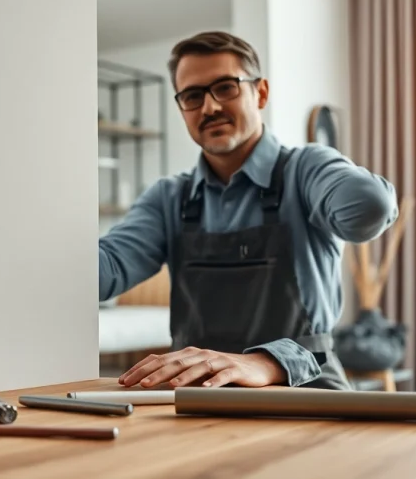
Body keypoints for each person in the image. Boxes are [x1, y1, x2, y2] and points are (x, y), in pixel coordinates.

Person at [99, 31, 398, 391]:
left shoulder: (304, 170)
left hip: (306, 390)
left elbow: (372, 208)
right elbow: (107, 270)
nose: (209, 107)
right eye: (193, 96)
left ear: (261, 92)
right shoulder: (169, 198)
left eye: (225, 87)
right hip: (199, 398)